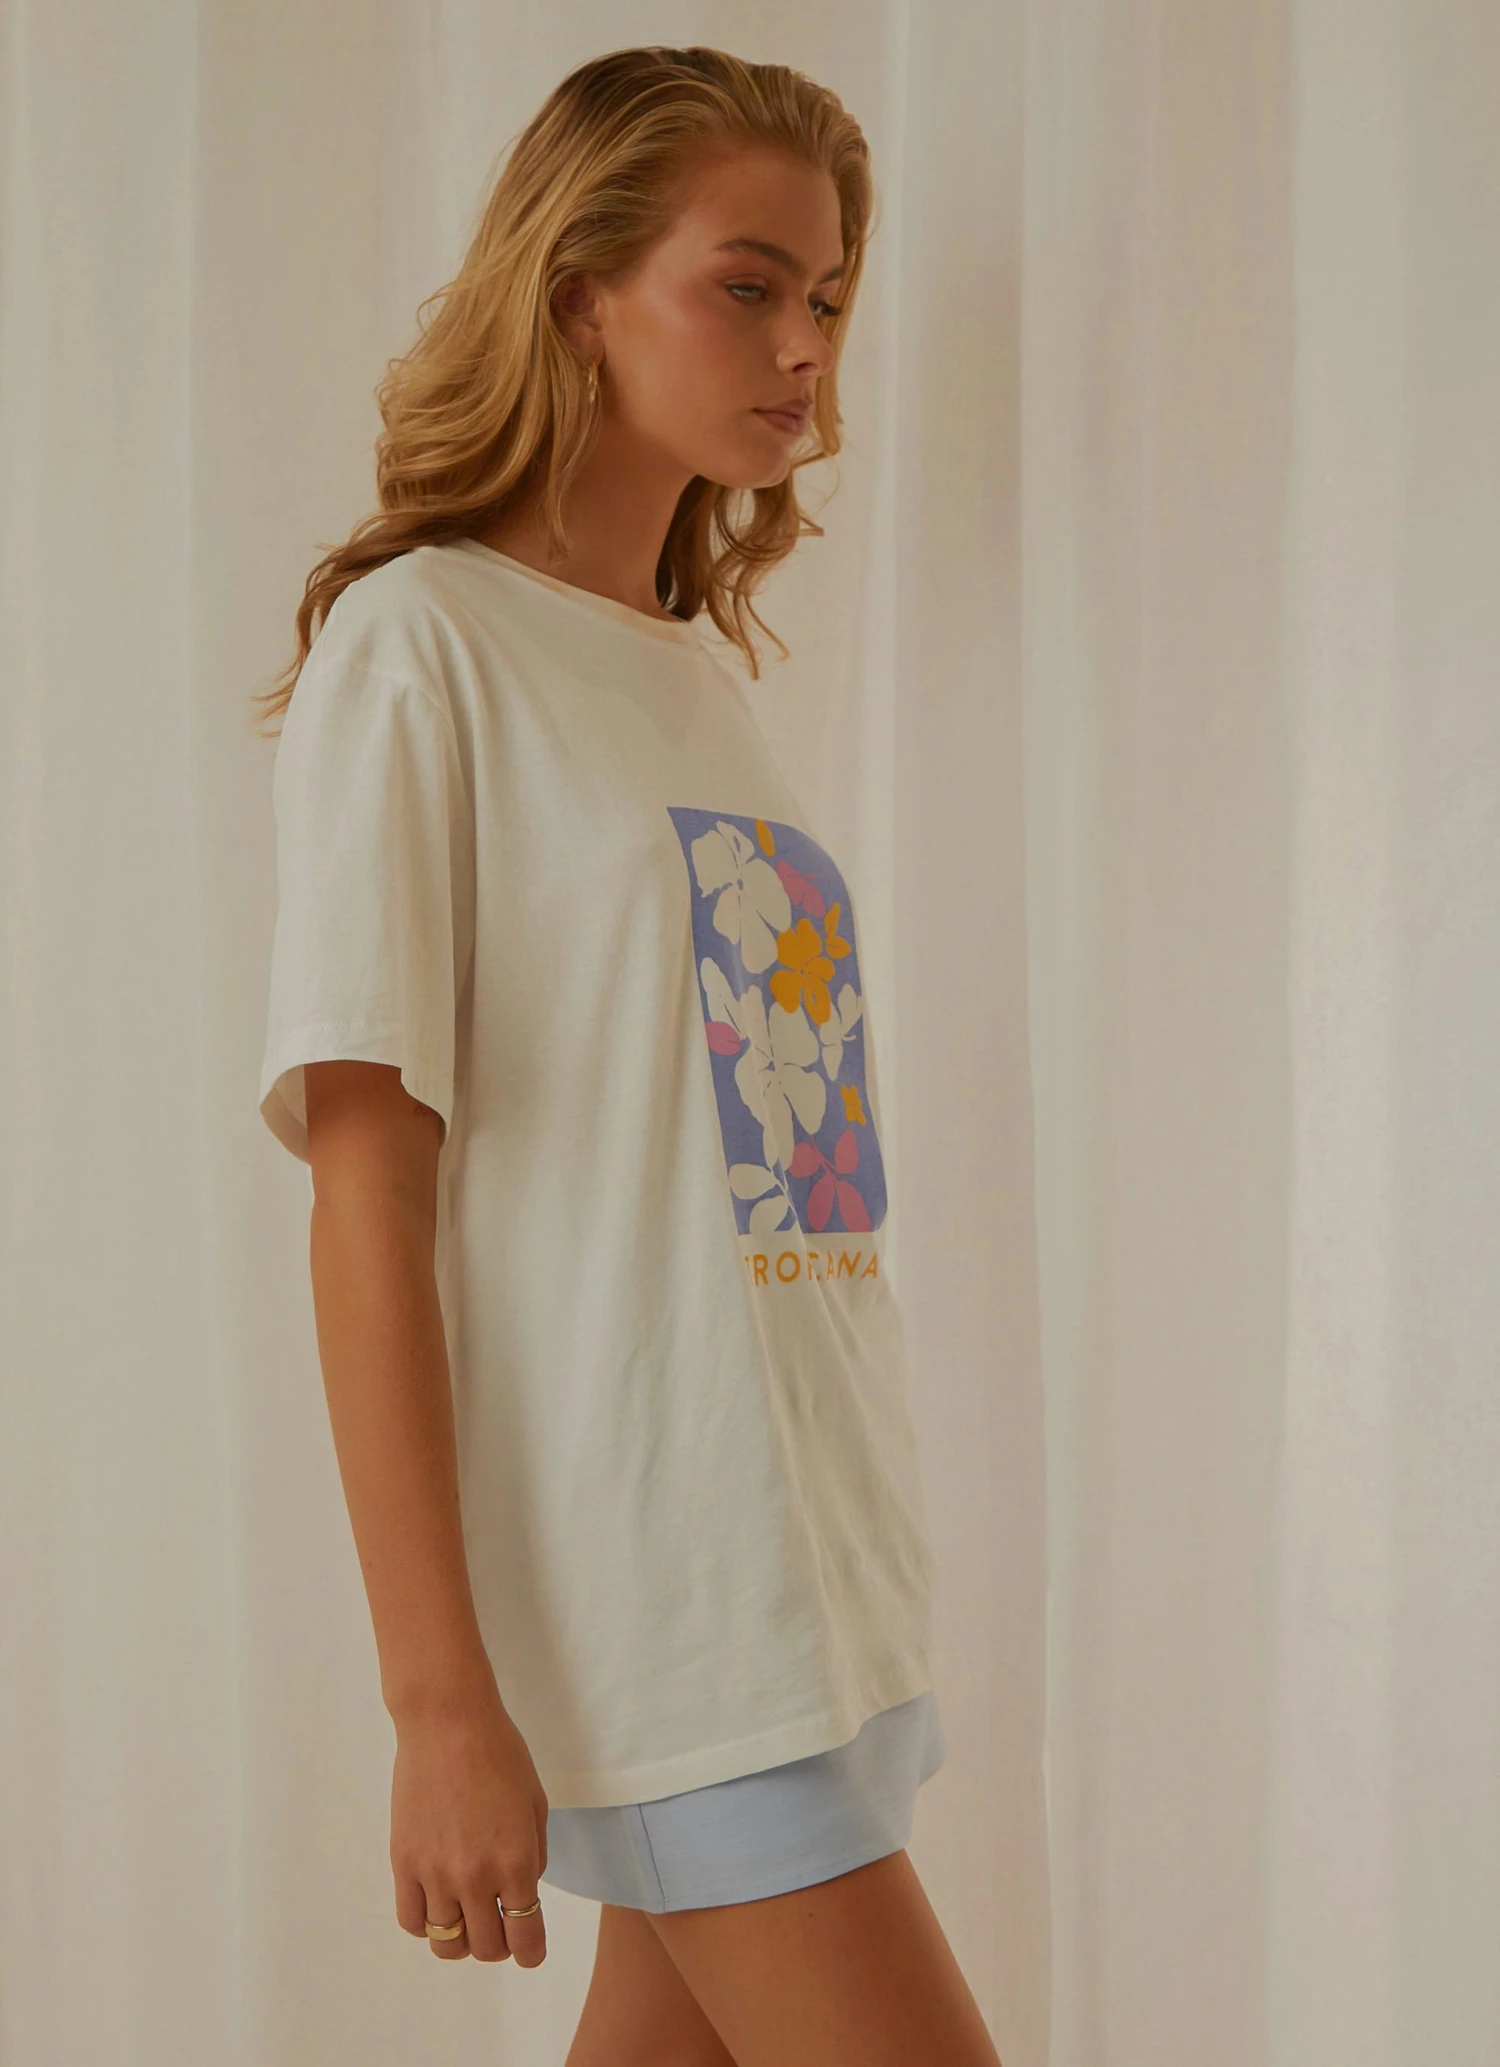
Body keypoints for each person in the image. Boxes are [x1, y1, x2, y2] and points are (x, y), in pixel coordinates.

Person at [254, 44, 1002, 2067]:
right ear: (578, 293)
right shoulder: (424, 645)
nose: (806, 349)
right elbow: (366, 1187)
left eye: (826, 296)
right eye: (746, 286)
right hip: (662, 1602)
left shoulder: (688, 675)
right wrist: (435, 1697)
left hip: (815, 1568)